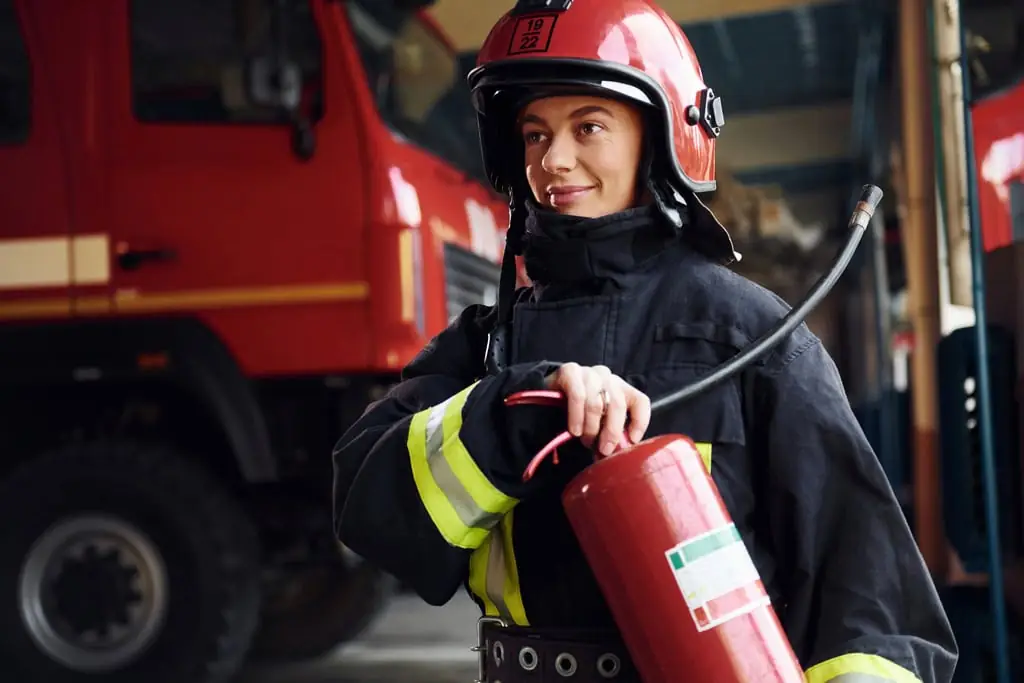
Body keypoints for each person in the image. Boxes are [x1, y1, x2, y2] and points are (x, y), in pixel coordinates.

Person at [332, 1, 958, 681]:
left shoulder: (753, 337)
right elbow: (369, 512)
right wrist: (514, 412)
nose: (553, 160)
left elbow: (870, 603)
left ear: (661, 138)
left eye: (588, 127)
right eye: (535, 134)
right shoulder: (485, 349)